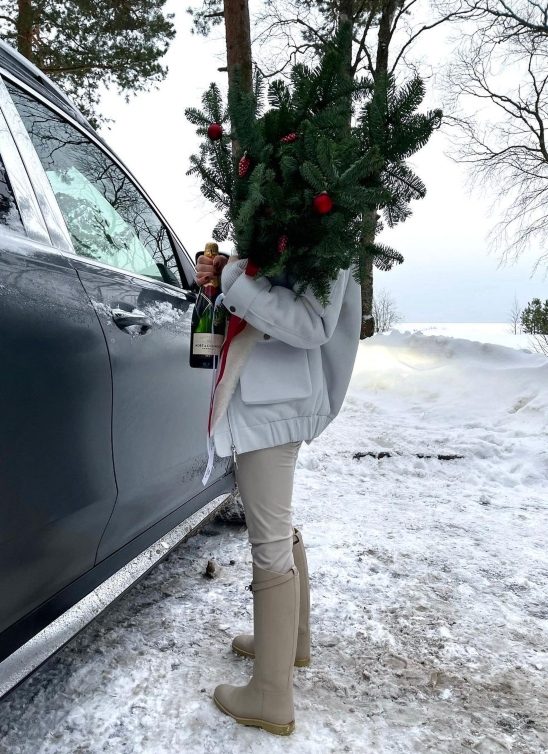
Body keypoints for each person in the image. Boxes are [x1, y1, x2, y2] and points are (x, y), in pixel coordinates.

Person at [195, 251, 361, 736]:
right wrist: (230, 270)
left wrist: (233, 278)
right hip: (272, 393)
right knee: (277, 526)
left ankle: (270, 694)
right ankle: (290, 645)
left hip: (274, 399)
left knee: (267, 543)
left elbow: (313, 323)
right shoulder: (291, 204)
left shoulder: (317, 209)